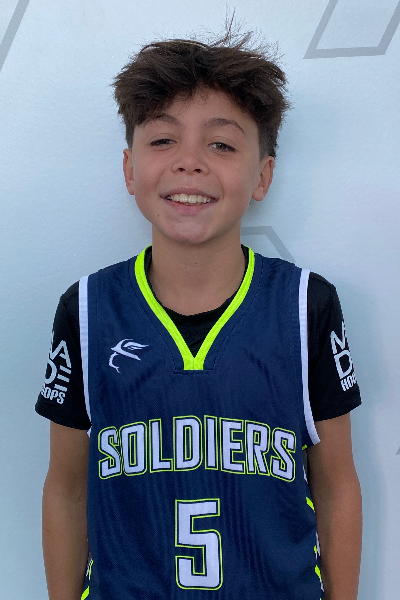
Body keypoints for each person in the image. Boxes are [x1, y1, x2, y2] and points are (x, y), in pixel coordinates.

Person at [36, 28, 362, 600]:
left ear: (263, 175)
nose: (189, 163)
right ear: (129, 168)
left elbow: (336, 484)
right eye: (163, 139)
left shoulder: (305, 306)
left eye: (222, 145)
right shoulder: (87, 309)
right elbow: (67, 489)